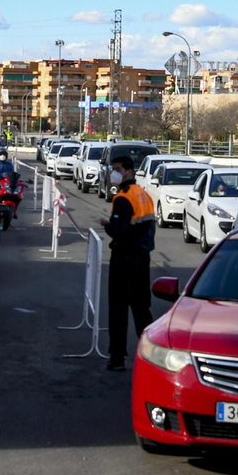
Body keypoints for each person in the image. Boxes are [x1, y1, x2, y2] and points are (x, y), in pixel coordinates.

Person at [101, 154, 157, 371]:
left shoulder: (123, 197)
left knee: (118, 310)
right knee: (142, 310)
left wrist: (107, 225)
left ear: (129, 172)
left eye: (117, 168)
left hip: (124, 260)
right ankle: (152, 358)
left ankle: (117, 359)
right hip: (142, 259)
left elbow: (119, 230)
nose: (113, 172)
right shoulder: (144, 195)